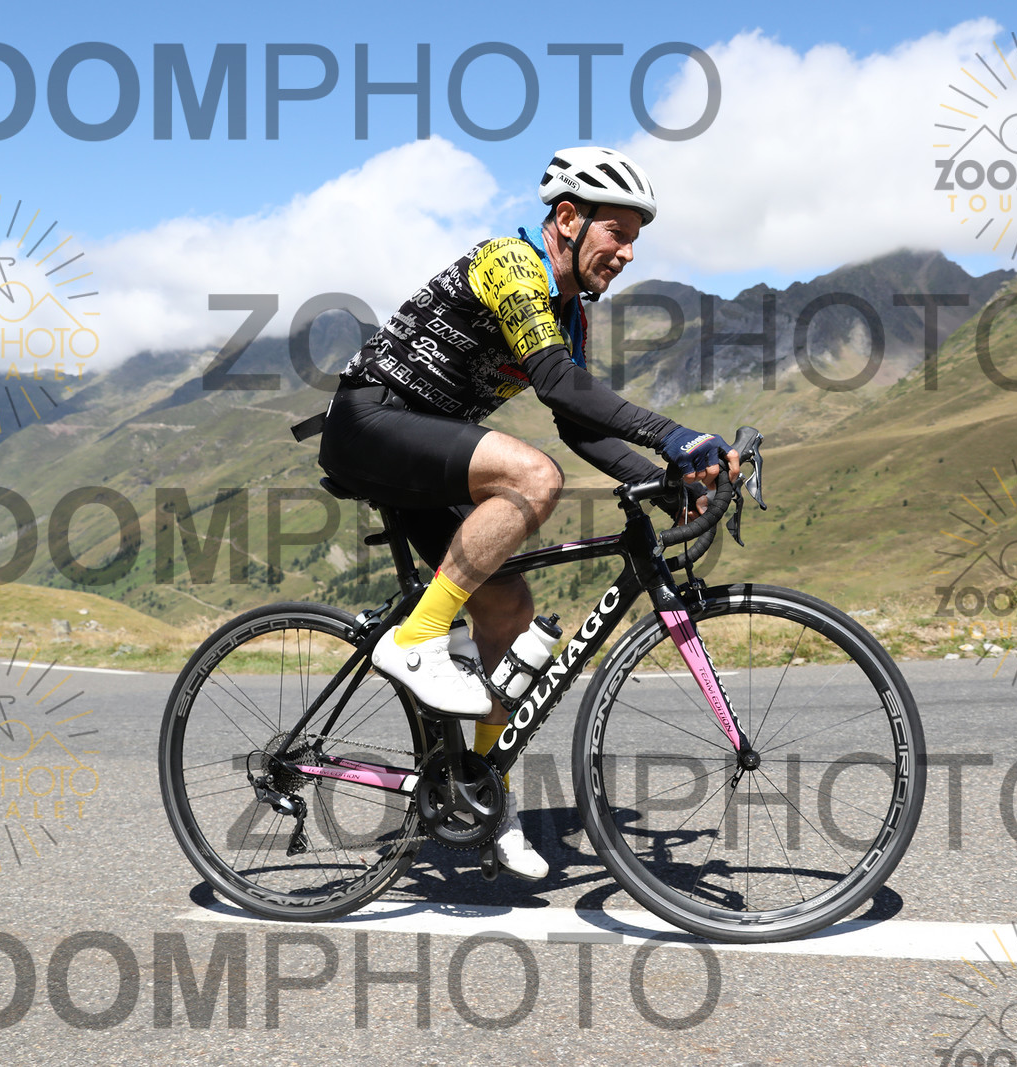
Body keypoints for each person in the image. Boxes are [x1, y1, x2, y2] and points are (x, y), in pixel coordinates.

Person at [317, 146, 740, 880]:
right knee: (533, 477)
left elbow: (579, 423)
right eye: (617, 232)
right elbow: (559, 386)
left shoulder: (568, 312)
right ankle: (415, 641)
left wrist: (660, 480)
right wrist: (675, 436)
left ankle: (480, 795)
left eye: (636, 239)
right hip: (370, 424)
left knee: (509, 609)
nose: (628, 253)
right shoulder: (511, 263)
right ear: (568, 219)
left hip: (426, 455)